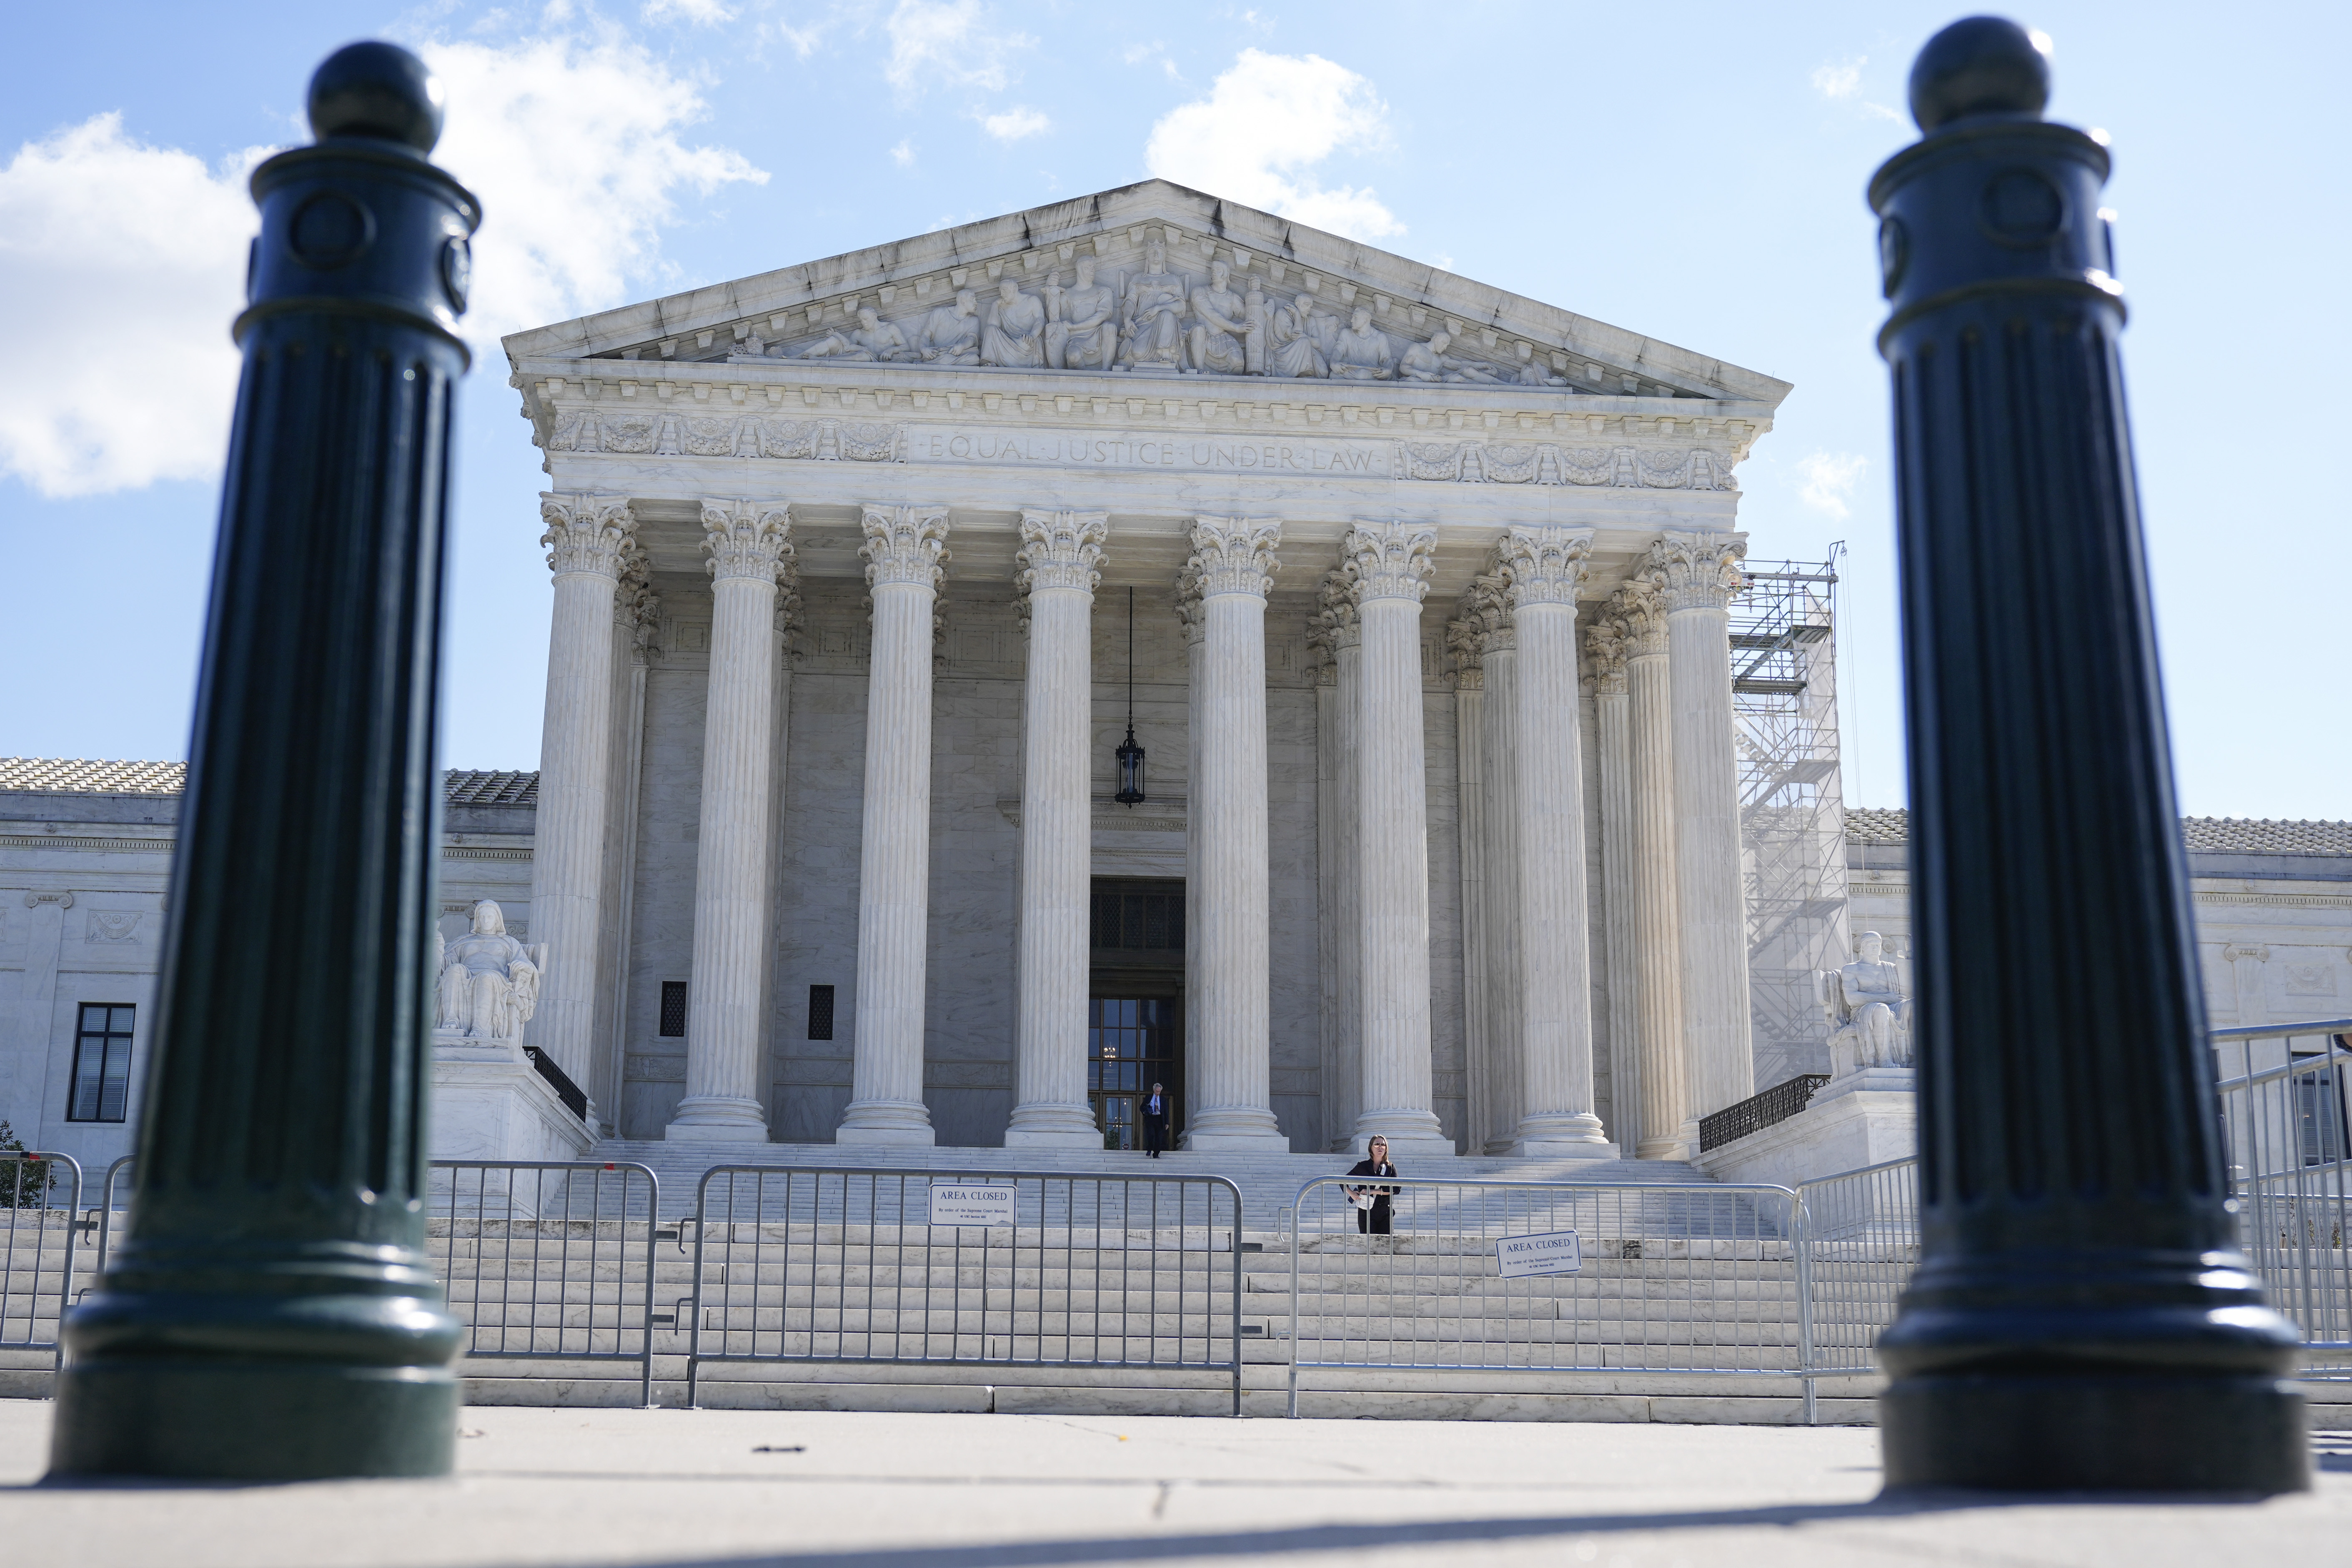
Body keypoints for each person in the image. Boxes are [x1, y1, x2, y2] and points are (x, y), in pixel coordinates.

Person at [1343, 1137, 1399, 1235]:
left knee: (1386, 1245)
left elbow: (1397, 1189)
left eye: (1383, 1145)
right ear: (1371, 1148)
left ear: (1386, 1148)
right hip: (1366, 1211)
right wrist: (1351, 1193)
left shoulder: (1390, 1167)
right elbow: (1343, 1181)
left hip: (1385, 1212)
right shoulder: (1363, 1166)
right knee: (1368, 1245)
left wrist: (1373, 1192)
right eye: (1377, 1144)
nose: (1380, 1147)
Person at [1142, 1082, 1168, 1158]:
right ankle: (1149, 1149)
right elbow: (1142, 1107)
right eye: (1157, 1091)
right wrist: (1145, 1112)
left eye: (1159, 1091)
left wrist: (1167, 1123)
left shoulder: (1163, 1100)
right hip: (1151, 1118)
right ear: (1154, 1090)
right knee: (1151, 1135)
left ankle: (1156, 1154)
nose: (1158, 1093)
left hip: (1159, 1119)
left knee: (1159, 1138)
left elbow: (1166, 1112)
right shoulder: (1148, 1097)